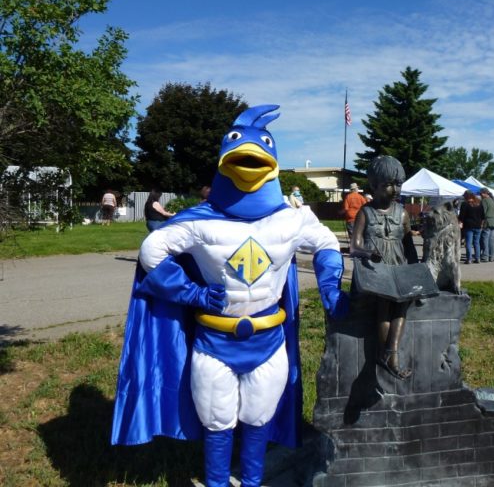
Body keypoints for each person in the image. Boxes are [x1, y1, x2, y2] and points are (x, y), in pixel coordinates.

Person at [112, 105, 348, 487]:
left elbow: (326, 244)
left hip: (268, 340)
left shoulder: (292, 219)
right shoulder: (200, 220)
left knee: (258, 418)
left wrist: (330, 290)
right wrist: (192, 293)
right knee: (217, 420)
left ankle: (251, 483)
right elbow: (152, 251)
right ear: (224, 161)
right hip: (214, 341)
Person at [349, 156, 415, 380]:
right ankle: (389, 356)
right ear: (374, 186)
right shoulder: (365, 213)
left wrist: (419, 274)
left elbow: (409, 247)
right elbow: (354, 246)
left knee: (402, 302)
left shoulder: (403, 214)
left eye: (399, 184)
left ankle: (390, 352)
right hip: (375, 272)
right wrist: (368, 253)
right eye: (389, 184)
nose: (395, 189)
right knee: (385, 303)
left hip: (398, 268)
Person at [458, 190, 483, 264]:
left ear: (466, 196)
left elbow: (461, 216)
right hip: (478, 225)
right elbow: (483, 215)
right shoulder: (479, 203)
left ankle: (469, 259)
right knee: (476, 242)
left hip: (468, 225)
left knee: (468, 243)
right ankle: (477, 258)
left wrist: (460, 221)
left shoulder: (465, 204)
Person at [479, 188, 494, 262]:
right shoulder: (492, 200)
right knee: (491, 240)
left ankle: (485, 256)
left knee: (485, 239)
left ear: (484, 193)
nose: (480, 195)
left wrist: (481, 222)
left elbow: (483, 212)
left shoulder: (484, 200)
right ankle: (492, 256)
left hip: (487, 221)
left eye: (480, 193)